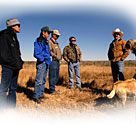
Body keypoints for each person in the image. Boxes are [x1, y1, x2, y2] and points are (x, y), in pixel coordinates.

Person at [0, 18, 24, 108]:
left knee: (13, 89)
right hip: (8, 67)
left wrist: (20, 62)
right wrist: (14, 63)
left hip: (15, 67)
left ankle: (11, 108)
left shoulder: (14, 37)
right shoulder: (4, 36)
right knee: (3, 89)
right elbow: (3, 54)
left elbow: (17, 53)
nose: (20, 27)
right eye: (18, 25)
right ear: (12, 26)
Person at [33, 26, 52, 104]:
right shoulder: (39, 41)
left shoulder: (45, 41)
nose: (49, 35)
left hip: (46, 63)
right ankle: (36, 96)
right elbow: (36, 53)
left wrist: (48, 59)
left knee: (43, 80)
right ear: (43, 32)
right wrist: (43, 60)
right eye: (48, 33)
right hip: (42, 63)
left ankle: (41, 94)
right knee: (39, 80)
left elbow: (48, 52)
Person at [48, 30, 62, 94]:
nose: (58, 37)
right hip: (53, 61)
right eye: (57, 35)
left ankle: (53, 89)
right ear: (53, 35)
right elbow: (49, 51)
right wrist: (55, 56)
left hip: (57, 62)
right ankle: (52, 90)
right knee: (53, 76)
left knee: (56, 76)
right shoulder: (50, 42)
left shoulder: (56, 43)